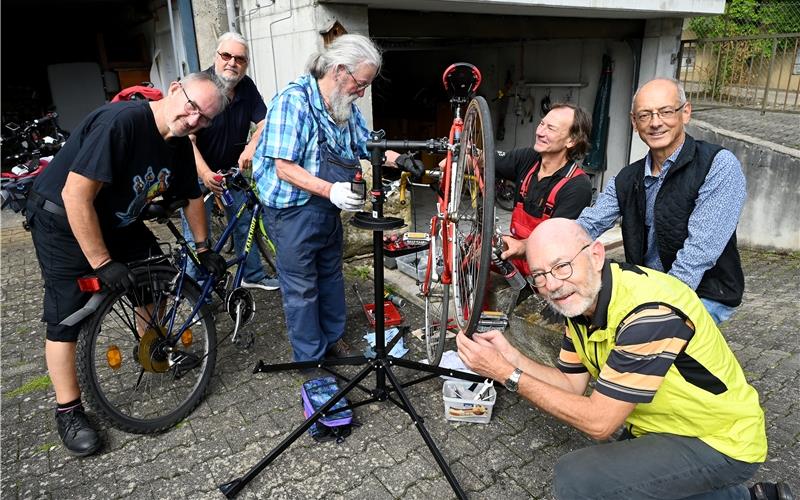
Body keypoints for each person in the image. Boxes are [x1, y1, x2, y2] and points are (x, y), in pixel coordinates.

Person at [456, 218, 792, 500]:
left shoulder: (650, 313)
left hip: (721, 440)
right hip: (661, 427)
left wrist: (507, 375)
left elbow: (600, 423)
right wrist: (508, 355)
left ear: (597, 255)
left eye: (562, 266)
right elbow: (570, 385)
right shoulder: (582, 303)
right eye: (541, 276)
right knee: (626, 476)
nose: (553, 286)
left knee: (578, 479)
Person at [26, 72, 228, 457]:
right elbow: (75, 196)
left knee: (153, 281)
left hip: (119, 219)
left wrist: (204, 250)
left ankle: (153, 348)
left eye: (204, 118)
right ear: (174, 90)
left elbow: (192, 197)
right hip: (63, 219)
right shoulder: (122, 124)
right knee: (67, 316)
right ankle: (68, 411)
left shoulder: (180, 144)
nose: (193, 120)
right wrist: (102, 264)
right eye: (192, 107)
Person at [252, 34, 380, 362]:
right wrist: (331, 189)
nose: (362, 92)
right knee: (302, 288)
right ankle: (311, 360)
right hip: (292, 213)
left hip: (326, 210)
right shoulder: (294, 102)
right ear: (339, 70)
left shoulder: (344, 108)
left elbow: (367, 144)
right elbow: (284, 168)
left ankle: (334, 338)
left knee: (331, 274)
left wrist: (401, 156)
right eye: (360, 83)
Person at [577, 77, 747, 324]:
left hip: (703, 292)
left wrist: (652, 308)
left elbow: (699, 253)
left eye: (666, 112)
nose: (656, 123)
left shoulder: (717, 165)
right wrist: (539, 245)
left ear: (685, 112)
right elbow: (588, 224)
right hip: (649, 287)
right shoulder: (628, 178)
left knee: (642, 350)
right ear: (634, 122)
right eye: (645, 115)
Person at [180, 32, 279, 291]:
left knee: (244, 221)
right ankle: (197, 292)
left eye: (240, 59)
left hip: (230, 172)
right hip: (196, 174)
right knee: (197, 237)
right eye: (226, 56)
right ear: (216, 57)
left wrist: (251, 146)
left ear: (245, 64)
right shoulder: (200, 86)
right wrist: (204, 174)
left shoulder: (246, 87)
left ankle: (252, 275)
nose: (232, 62)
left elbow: (264, 124)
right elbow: (186, 140)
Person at [495, 103, 593, 276]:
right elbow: (488, 161)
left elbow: (557, 241)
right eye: (541, 124)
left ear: (571, 140)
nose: (540, 132)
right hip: (516, 260)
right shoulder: (528, 159)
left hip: (549, 273)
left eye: (551, 128)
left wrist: (523, 246)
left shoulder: (577, 186)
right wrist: (466, 158)